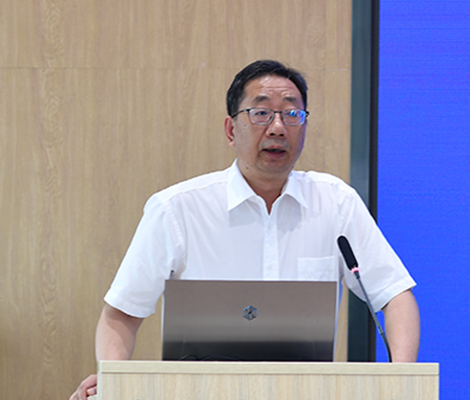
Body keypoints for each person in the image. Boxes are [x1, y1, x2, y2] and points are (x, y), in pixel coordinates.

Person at [70, 60, 420, 400]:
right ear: (230, 130)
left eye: (292, 113)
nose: (278, 127)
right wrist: (114, 381)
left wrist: (401, 382)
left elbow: (395, 295)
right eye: (261, 113)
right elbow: (122, 313)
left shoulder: (336, 202)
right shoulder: (177, 208)